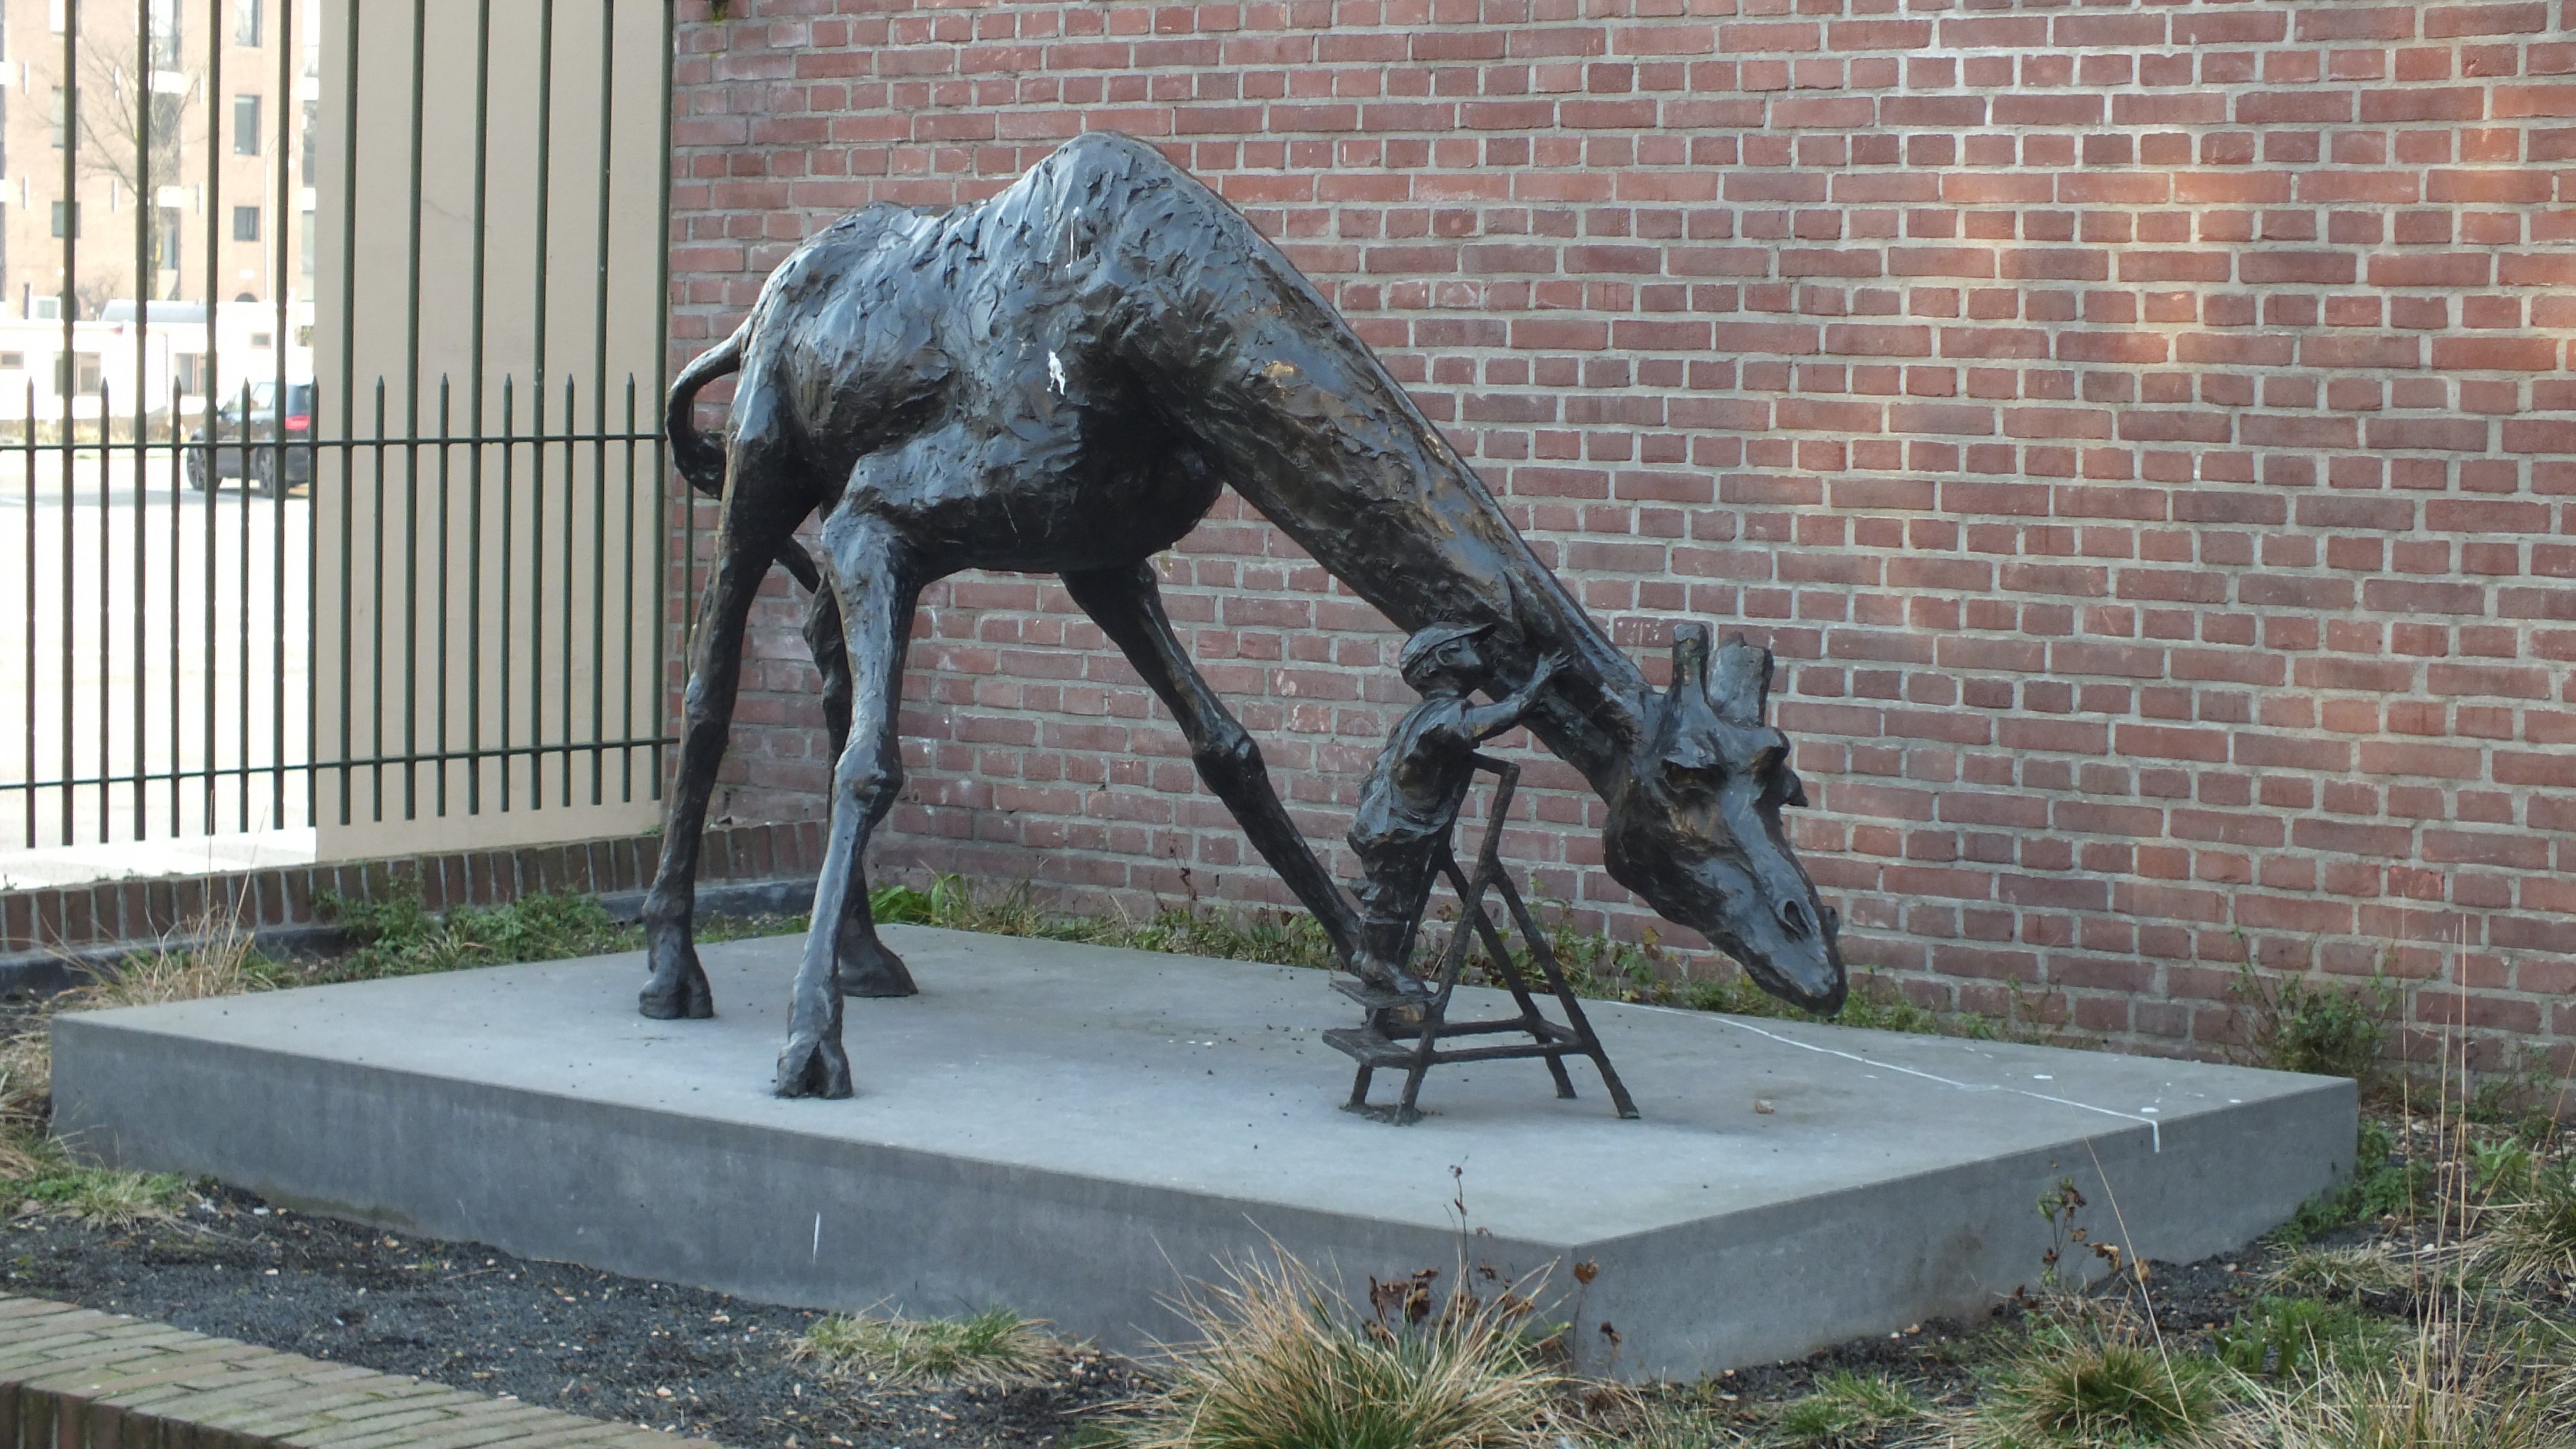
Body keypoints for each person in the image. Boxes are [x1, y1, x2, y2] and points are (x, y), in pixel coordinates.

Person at [1346, 623, 1564, 997]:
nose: (1485, 652)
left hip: (1387, 821)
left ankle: (1370, 955)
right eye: (1470, 645)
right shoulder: (1445, 715)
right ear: (1446, 659)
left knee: (1388, 894)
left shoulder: (1423, 714)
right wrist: (1540, 680)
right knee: (1392, 900)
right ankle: (1378, 962)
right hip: (1398, 827)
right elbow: (1497, 718)